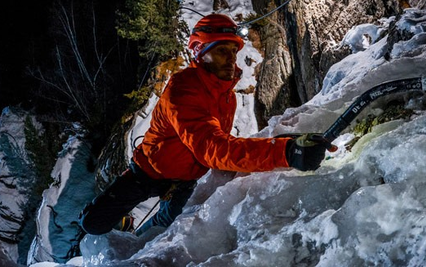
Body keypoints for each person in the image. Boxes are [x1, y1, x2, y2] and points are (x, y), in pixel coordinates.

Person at [79, 13, 334, 236]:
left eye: (234, 51)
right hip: (149, 172)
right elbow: (214, 148)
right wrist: (285, 153)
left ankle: (135, 244)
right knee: (93, 224)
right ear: (200, 52)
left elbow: (218, 141)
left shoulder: (226, 95)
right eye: (222, 51)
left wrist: (285, 143)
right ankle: (124, 227)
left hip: (186, 178)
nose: (231, 58)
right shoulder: (183, 90)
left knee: (169, 222)